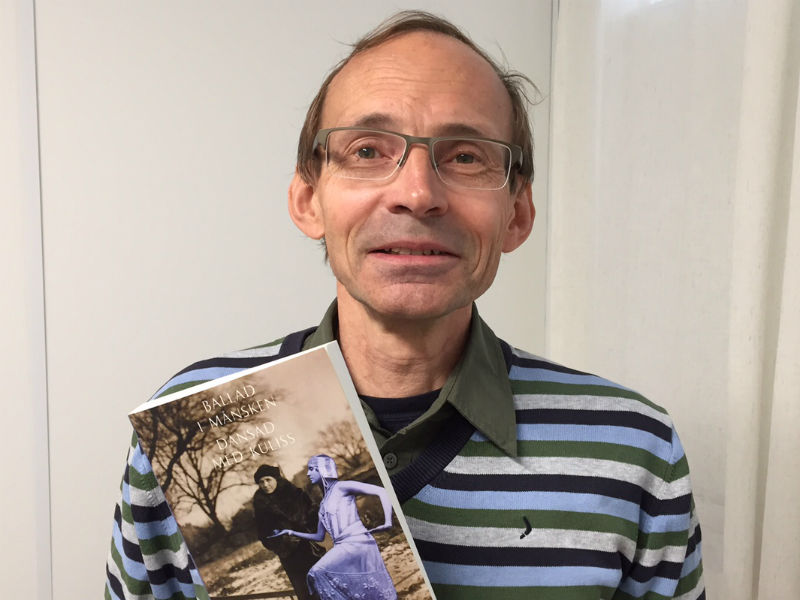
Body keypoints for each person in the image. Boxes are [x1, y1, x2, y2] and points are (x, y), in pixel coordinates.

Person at [106, 10, 705, 600]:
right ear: (308, 199)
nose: (417, 193)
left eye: (465, 155)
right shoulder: (184, 419)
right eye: (368, 150)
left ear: (518, 213)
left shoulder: (637, 450)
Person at [273, 455, 396, 600]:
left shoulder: (342, 487)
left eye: (312, 469)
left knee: (317, 572)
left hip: (357, 542)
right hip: (342, 547)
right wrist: (292, 532)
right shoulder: (323, 504)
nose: (308, 473)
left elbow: (381, 491)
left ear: (323, 469)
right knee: (357, 587)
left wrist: (388, 521)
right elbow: (319, 536)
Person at [251, 464, 321, 600]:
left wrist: (312, 534)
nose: (265, 485)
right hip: (290, 555)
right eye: (261, 482)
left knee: (324, 585)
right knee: (305, 592)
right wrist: (279, 544)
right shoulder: (260, 506)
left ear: (276, 478)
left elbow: (315, 516)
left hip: (312, 548)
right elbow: (262, 534)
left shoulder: (296, 494)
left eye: (268, 480)